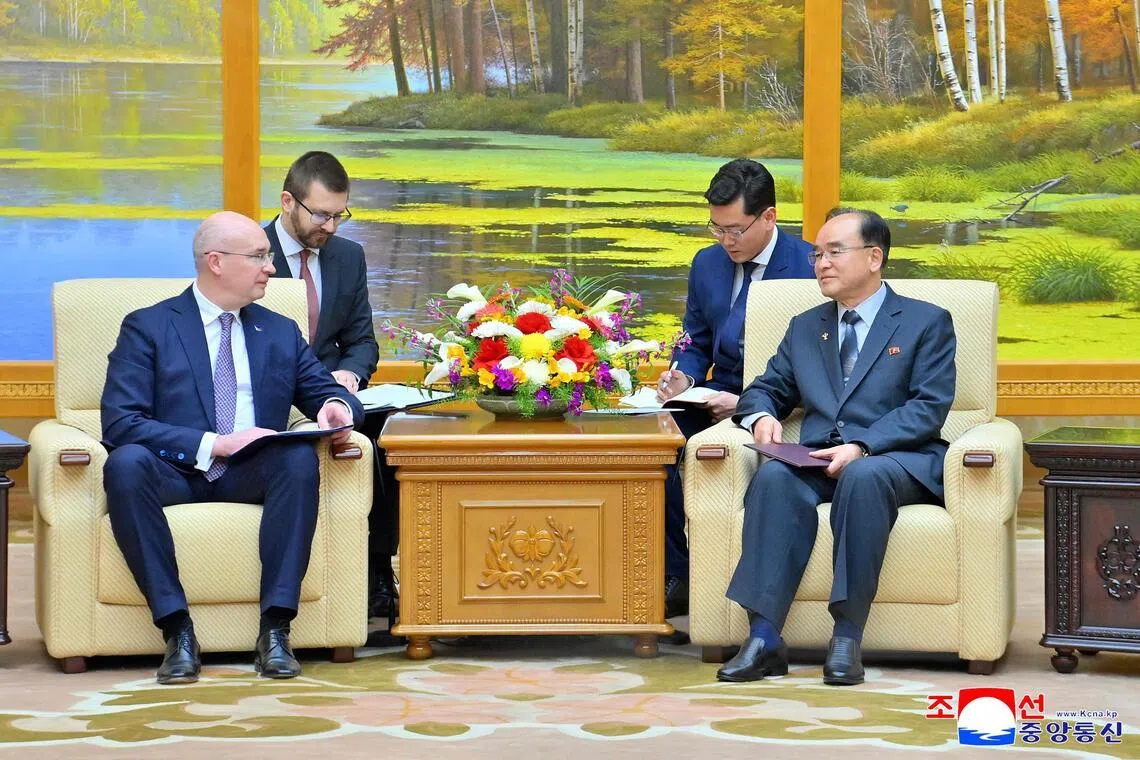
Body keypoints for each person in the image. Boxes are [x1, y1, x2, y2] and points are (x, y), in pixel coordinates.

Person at [101, 211, 365, 685]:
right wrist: (216, 443)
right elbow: (121, 422)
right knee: (125, 463)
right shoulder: (148, 326)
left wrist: (334, 408)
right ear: (215, 262)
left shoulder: (278, 330)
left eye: (268, 257)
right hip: (174, 471)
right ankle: (177, 631)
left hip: (251, 472)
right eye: (259, 256)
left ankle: (276, 631)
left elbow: (328, 391)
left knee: (298, 457)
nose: (270, 266)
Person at [716, 208, 956, 686]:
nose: (821, 263)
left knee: (864, 478)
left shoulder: (925, 322)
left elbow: (928, 408)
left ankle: (846, 635)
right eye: (817, 253)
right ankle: (764, 636)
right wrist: (761, 415)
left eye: (834, 252)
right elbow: (766, 388)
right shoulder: (806, 326)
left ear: (874, 257)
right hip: (816, 457)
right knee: (775, 477)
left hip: (893, 459)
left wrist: (863, 445)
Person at [657, 158, 815, 619]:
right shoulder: (707, 263)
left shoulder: (808, 269)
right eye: (716, 228)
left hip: (779, 402)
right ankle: (680, 572)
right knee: (653, 443)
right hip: (711, 394)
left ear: (769, 217)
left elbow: (819, 368)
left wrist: (746, 404)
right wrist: (682, 375)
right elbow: (695, 339)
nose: (726, 241)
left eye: (736, 230)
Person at [263, 152, 396, 634]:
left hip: (332, 392)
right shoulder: (248, 251)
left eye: (341, 214)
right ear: (287, 202)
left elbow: (361, 341)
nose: (332, 226)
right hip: (270, 392)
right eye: (321, 214)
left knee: (383, 429)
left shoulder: (347, 256)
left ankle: (377, 569)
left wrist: (350, 376)